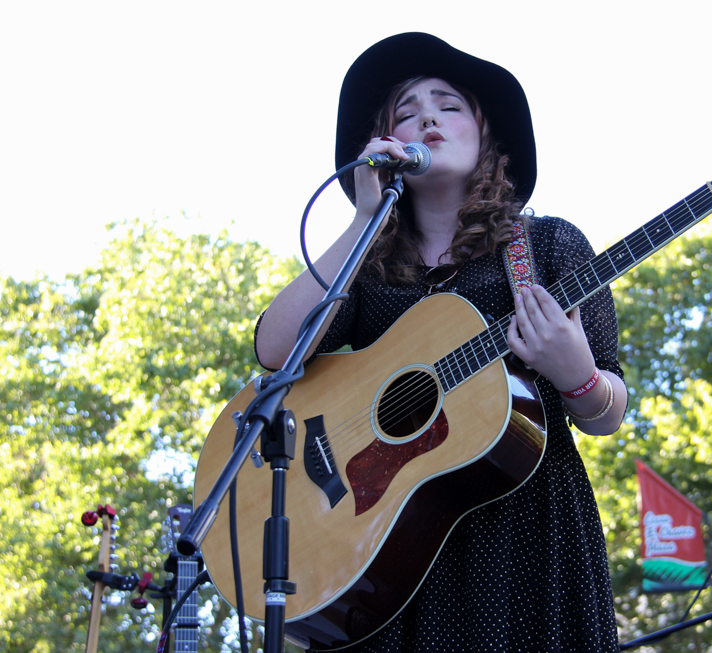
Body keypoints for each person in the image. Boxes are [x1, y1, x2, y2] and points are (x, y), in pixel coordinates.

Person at [254, 33, 628, 652]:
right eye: (406, 112)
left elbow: (607, 412)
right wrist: (363, 219)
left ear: (485, 135)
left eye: (449, 105)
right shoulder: (368, 270)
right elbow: (274, 348)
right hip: (384, 545)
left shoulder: (547, 245)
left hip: (523, 534)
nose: (428, 117)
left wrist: (578, 375)